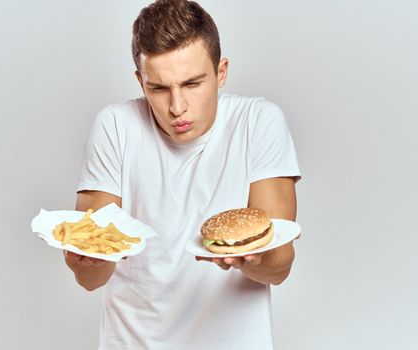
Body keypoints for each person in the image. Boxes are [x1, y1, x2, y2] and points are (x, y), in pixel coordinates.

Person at [64, 0, 301, 349]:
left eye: (192, 84)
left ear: (221, 72)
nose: (177, 107)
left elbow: (279, 268)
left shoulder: (257, 122)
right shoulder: (115, 126)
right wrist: (85, 260)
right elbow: (91, 279)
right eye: (158, 88)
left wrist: (251, 258)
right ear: (140, 81)